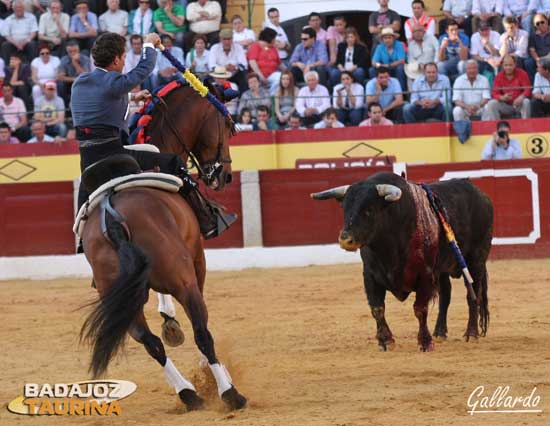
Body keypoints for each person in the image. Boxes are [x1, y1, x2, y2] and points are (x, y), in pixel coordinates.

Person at [70, 32, 236, 241]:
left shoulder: (80, 83)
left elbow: (102, 95)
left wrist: (131, 96)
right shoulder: (114, 82)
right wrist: (149, 45)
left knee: (87, 200)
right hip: (113, 155)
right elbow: (144, 70)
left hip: (86, 160)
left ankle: (82, 235)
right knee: (173, 161)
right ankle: (208, 221)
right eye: (123, 57)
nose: (124, 62)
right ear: (116, 60)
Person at [485, 54, 531, 119]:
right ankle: (497, 127)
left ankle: (526, 126)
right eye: (506, 65)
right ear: (503, 66)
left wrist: (521, 97)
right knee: (491, 103)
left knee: (526, 101)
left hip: (519, 104)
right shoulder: (499, 76)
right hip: (505, 105)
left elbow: (528, 89)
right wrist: (502, 97)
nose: (508, 67)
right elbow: (494, 93)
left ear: (515, 64)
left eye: (510, 65)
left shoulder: (522, 73)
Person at [247, 27, 284, 95]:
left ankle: (271, 96)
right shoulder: (255, 46)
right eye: (274, 38)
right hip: (258, 76)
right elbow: (252, 62)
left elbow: (280, 64)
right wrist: (261, 76)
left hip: (271, 75)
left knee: (281, 77)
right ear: (270, 38)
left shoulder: (273, 48)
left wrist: (288, 73)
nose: (275, 40)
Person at [57, 39, 91, 104]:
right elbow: (61, 77)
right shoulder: (64, 59)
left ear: (79, 50)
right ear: (67, 52)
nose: (73, 53)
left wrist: (75, 63)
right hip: (69, 83)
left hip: (82, 82)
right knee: (60, 84)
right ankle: (65, 105)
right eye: (70, 51)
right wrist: (75, 79)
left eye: (75, 51)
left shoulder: (85, 59)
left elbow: (86, 76)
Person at [525, 13, 550, 82]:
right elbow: (532, 50)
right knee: (528, 63)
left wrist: (546, 59)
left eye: (542, 22)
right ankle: (534, 84)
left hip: (549, 56)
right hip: (538, 58)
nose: (540, 25)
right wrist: (538, 60)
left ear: (547, 21)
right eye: (537, 23)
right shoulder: (533, 36)